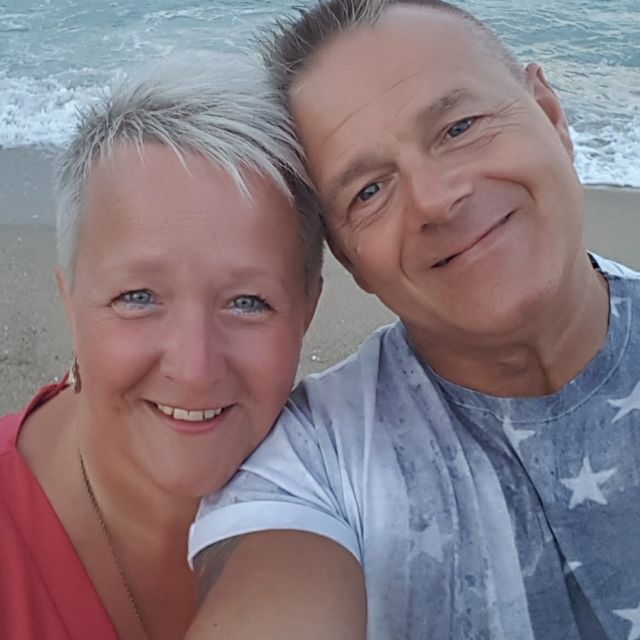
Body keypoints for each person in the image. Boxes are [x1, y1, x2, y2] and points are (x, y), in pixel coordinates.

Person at [186, 1, 640, 639]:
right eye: (368, 191)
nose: (435, 199)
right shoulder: (311, 466)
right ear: (351, 262)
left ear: (550, 114)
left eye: (459, 127)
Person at [0, 58, 323, 640]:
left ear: (307, 310)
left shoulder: (360, 493)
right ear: (70, 302)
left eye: (248, 302)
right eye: (138, 297)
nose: (194, 368)